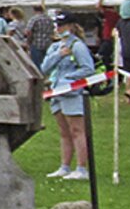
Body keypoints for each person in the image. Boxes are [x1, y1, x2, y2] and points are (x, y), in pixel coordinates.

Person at [39, 15, 96, 181]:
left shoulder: (78, 46)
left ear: (71, 26)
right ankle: (64, 166)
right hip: (56, 92)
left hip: (71, 93)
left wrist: (69, 79)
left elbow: (88, 69)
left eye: (62, 25)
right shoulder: (56, 46)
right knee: (64, 131)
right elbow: (44, 68)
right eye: (58, 25)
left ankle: (81, 168)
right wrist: (58, 55)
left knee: (77, 130)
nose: (59, 28)